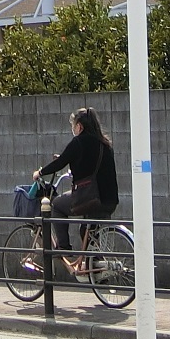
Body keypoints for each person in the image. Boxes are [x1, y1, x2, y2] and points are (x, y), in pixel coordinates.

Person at [36, 106, 120, 273]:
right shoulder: (105, 144)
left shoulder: (79, 142)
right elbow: (91, 166)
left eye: (73, 125)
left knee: (57, 205)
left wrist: (40, 172)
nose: (73, 129)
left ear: (79, 126)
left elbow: (60, 163)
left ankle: (63, 248)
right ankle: (96, 270)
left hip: (91, 199)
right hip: (109, 200)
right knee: (87, 231)